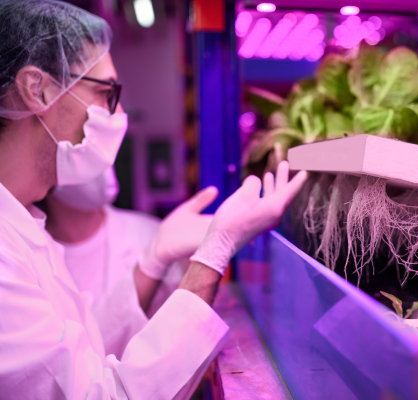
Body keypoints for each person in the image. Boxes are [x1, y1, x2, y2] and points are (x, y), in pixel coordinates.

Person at [0, 1, 307, 399]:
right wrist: (213, 255)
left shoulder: (21, 225)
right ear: (36, 89)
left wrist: (153, 258)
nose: (120, 113)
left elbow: (82, 358)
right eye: (106, 92)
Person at [44, 167, 209, 359]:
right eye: (79, 140)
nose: (101, 158)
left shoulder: (154, 235)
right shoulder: (21, 254)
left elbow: (181, 350)